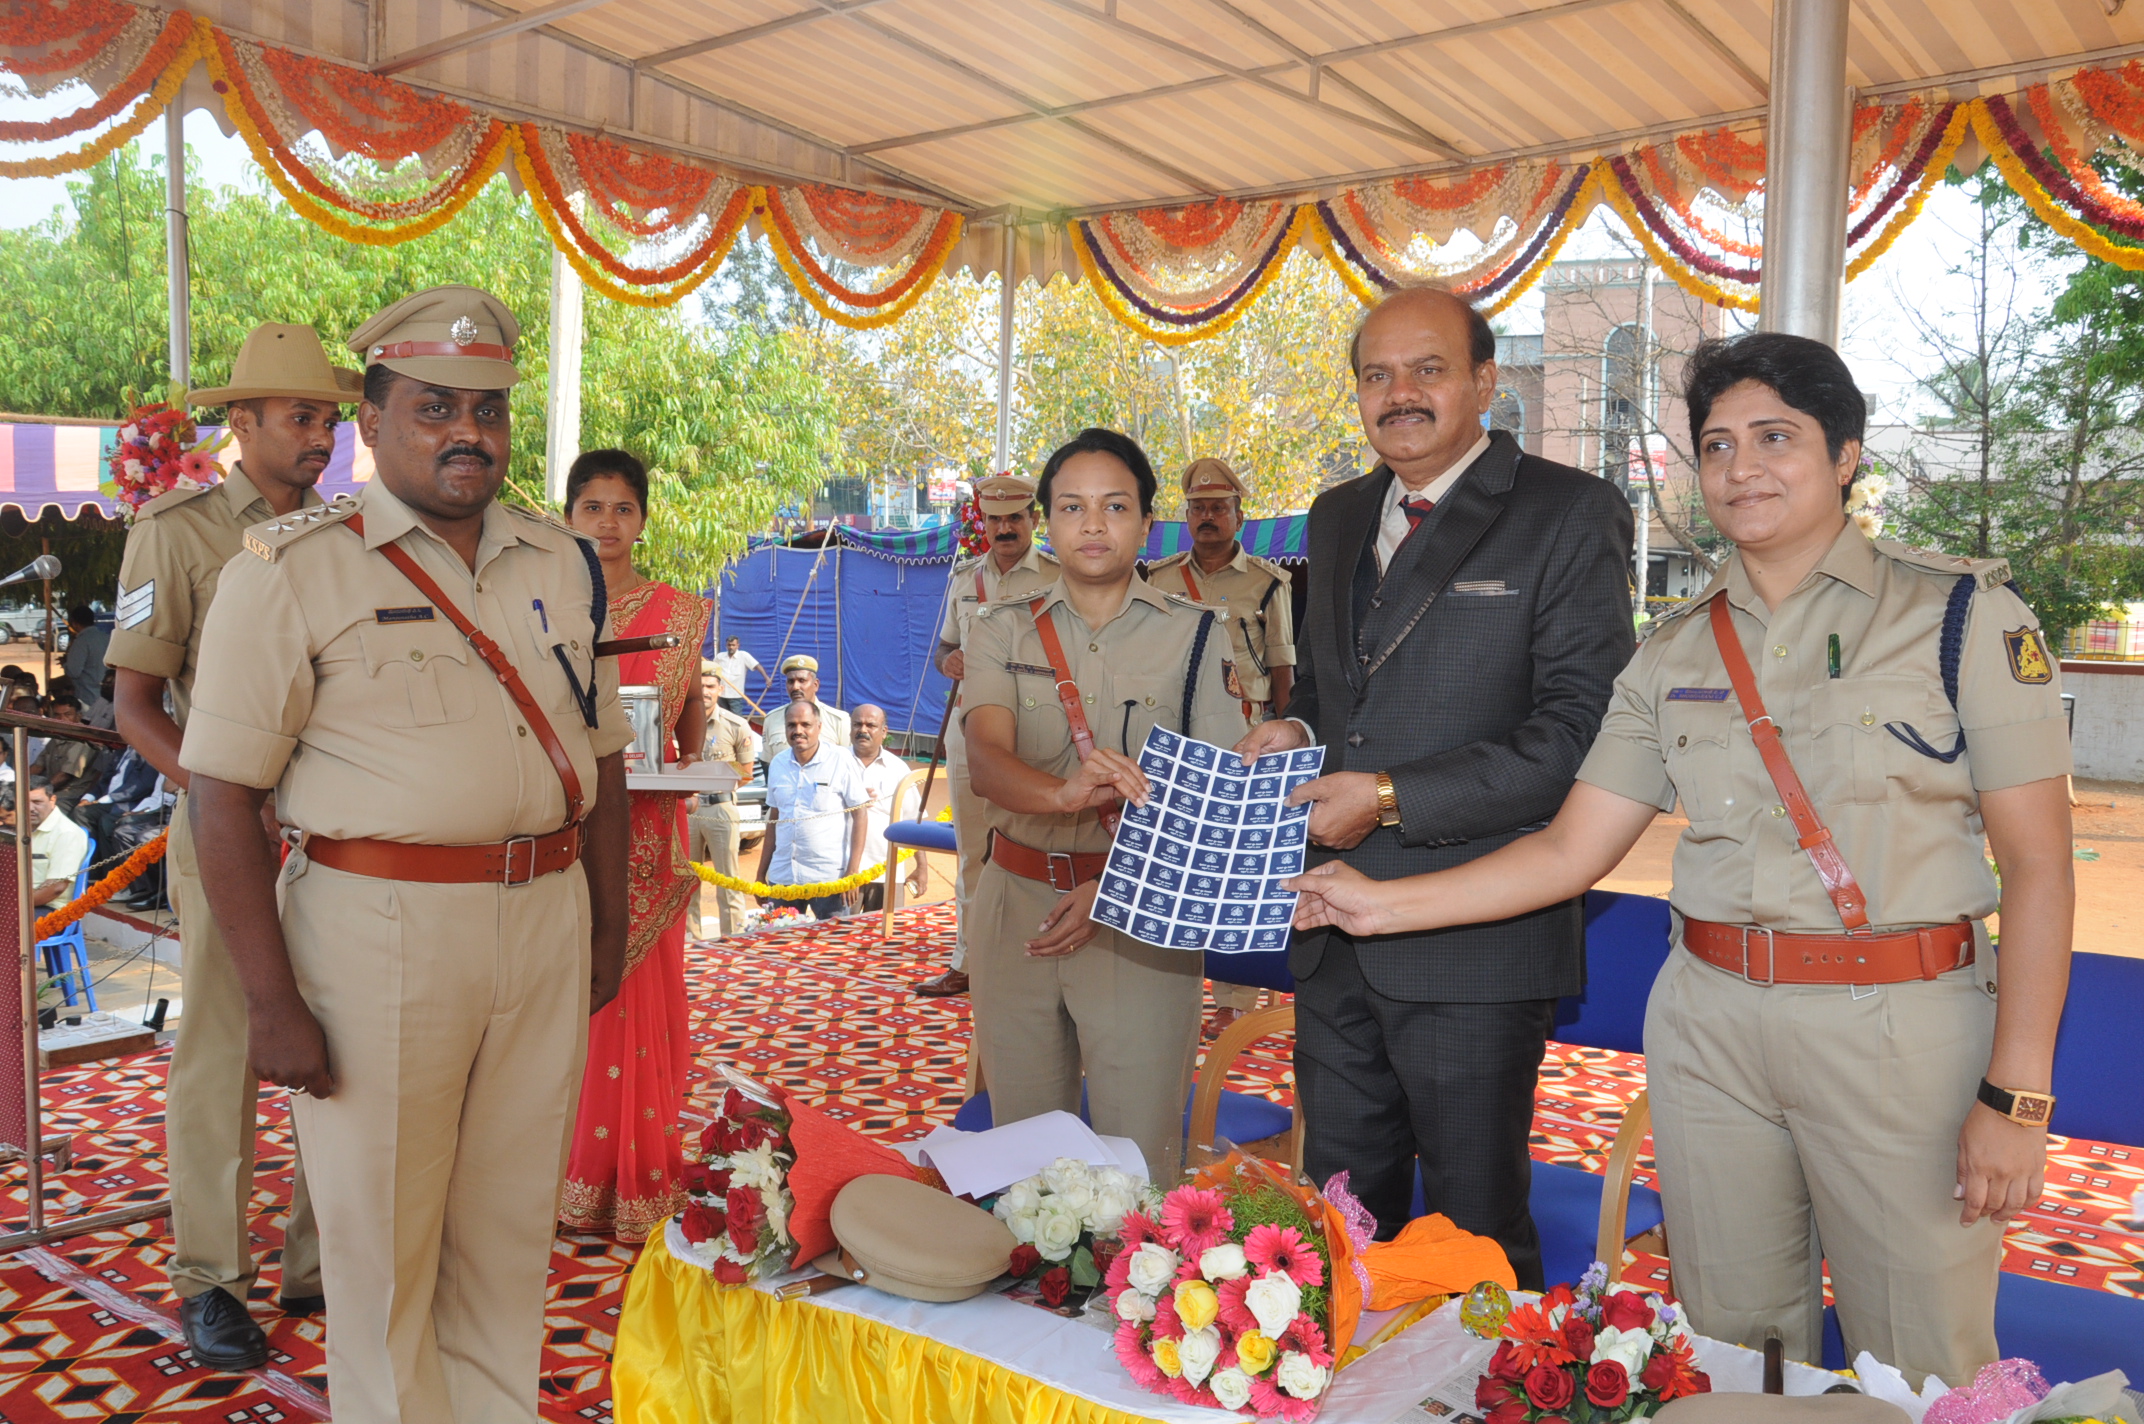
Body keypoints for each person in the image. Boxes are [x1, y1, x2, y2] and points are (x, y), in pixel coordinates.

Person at [1285, 332, 2073, 1387]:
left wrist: (2015, 1096)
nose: (1742, 466)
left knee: (1919, 1363)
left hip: (1901, 1033)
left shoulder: (1959, 619)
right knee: (1732, 1347)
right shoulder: (1672, 651)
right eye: (1716, 444)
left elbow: (2037, 866)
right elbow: (1570, 847)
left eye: (1774, 437)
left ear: (1843, 455)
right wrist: (1371, 905)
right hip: (1709, 1034)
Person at [178, 285, 632, 1423]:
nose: (467, 432)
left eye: (486, 409)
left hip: (541, 923)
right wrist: (271, 1000)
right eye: (435, 408)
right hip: (377, 934)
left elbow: (603, 756)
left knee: (507, 1224)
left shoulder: (560, 563)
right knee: (380, 1252)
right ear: (369, 424)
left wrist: (608, 923)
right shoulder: (286, 570)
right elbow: (219, 794)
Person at [1232, 287, 1635, 1288]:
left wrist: (1386, 791)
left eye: (1426, 370)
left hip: (1474, 942)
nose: (1397, 394)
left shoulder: (1565, 511)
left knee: (1473, 1227)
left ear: (1484, 383)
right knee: (1335, 1218)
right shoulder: (1333, 517)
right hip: (1329, 927)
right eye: (1375, 374)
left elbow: (1573, 735)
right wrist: (1295, 729)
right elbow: (1336, 696)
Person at [104, 320, 350, 1368]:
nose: (321, 438)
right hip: (227, 833)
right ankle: (210, 1278)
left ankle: (316, 1259)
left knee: (333, 1047)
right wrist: (220, 794)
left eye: (331, 420)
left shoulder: (347, 534)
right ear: (239, 423)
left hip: (335, 840)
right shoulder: (182, 528)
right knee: (222, 1053)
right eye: (301, 417)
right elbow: (134, 703)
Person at [963, 428, 1246, 1182]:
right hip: (1015, 905)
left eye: (1115, 506)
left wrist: (1120, 887)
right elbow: (987, 762)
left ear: (1147, 524)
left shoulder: (1198, 638)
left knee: (1136, 1163)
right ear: (1048, 524)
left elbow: (1216, 798)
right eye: (1073, 507)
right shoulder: (998, 627)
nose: (1094, 525)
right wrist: (1059, 792)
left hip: (1140, 918)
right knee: (1021, 1166)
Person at [556, 448, 709, 1242]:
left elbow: (688, 740)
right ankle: (562, 1179)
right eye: (592, 507)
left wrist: (685, 768)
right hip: (559, 840)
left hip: (650, 839)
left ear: (642, 520)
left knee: (639, 1009)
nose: (608, 523)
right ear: (568, 516)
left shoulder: (683, 615)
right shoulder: (540, 605)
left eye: (623, 508)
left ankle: (635, 1184)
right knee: (563, 1004)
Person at [1146, 456, 1298, 1038]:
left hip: (1244, 733)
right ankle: (1168, 980)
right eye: (1198, 508)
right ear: (1185, 515)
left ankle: (1235, 994)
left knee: (1238, 865)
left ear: (1239, 515)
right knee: (1174, 858)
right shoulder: (1157, 579)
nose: (1207, 517)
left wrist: (1284, 728)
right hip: (1172, 731)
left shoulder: (1266, 583)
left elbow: (1282, 663)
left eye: (1219, 507)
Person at [917, 472, 1059, 998]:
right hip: (972, 734)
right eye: (995, 519)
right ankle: (970, 961)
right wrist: (948, 660)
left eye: (1014, 518)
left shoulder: (1059, 575)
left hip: (1042, 736)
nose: (1005, 529)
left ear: (1032, 520)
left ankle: (1040, 960)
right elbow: (943, 649)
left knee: (1041, 849)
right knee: (975, 849)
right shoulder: (964, 580)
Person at [756, 700, 868, 920]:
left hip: (828, 877)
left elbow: (860, 814)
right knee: (781, 943)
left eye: (805, 724)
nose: (798, 731)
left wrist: (852, 873)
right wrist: (761, 873)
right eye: (791, 725)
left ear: (819, 727)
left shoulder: (840, 759)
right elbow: (774, 819)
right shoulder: (778, 764)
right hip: (784, 876)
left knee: (832, 947)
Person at [688, 695, 758, 939]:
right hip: (689, 810)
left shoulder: (735, 725)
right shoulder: (681, 722)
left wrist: (721, 783)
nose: (705, 692)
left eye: (710, 686)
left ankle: (733, 939)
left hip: (721, 807)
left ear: (719, 688)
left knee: (728, 880)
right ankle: (691, 942)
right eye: (701, 685)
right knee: (687, 881)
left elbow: (746, 772)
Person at [850, 702, 923, 914]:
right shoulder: (836, 763)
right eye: (857, 724)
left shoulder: (898, 769)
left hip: (888, 872)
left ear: (884, 732)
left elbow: (911, 822)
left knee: (885, 939)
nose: (863, 730)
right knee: (841, 936)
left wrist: (922, 867)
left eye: (870, 725)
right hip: (844, 874)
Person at [759, 654, 850, 763]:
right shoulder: (772, 719)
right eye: (791, 681)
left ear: (815, 685)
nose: (795, 687)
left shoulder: (838, 720)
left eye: (802, 681)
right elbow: (768, 764)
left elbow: (848, 764)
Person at [26, 780, 89, 908]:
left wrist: (14, 907)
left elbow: (56, 888)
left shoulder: (66, 833)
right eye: (24, 803)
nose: (30, 808)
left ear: (52, 800)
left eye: (37, 802)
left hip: (50, 908)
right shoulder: (21, 827)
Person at [30, 699, 93, 798]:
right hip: (53, 788)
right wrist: (18, 785)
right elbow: (38, 766)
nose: (62, 719)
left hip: (72, 793)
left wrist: (41, 791)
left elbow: (64, 776)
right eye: (57, 715)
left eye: (68, 715)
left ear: (79, 716)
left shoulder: (83, 739)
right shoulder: (57, 737)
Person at [62, 605, 109, 711]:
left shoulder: (81, 642)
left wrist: (65, 664)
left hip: (87, 697)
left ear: (74, 623)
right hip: (107, 697)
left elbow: (74, 672)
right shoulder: (106, 638)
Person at [710, 636, 762, 717]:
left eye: (733, 645)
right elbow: (713, 668)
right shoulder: (720, 656)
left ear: (738, 645)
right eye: (729, 645)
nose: (731, 647)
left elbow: (757, 665)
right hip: (721, 694)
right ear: (726, 645)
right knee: (722, 717)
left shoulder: (744, 655)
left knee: (736, 717)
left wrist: (767, 679)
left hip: (735, 695)